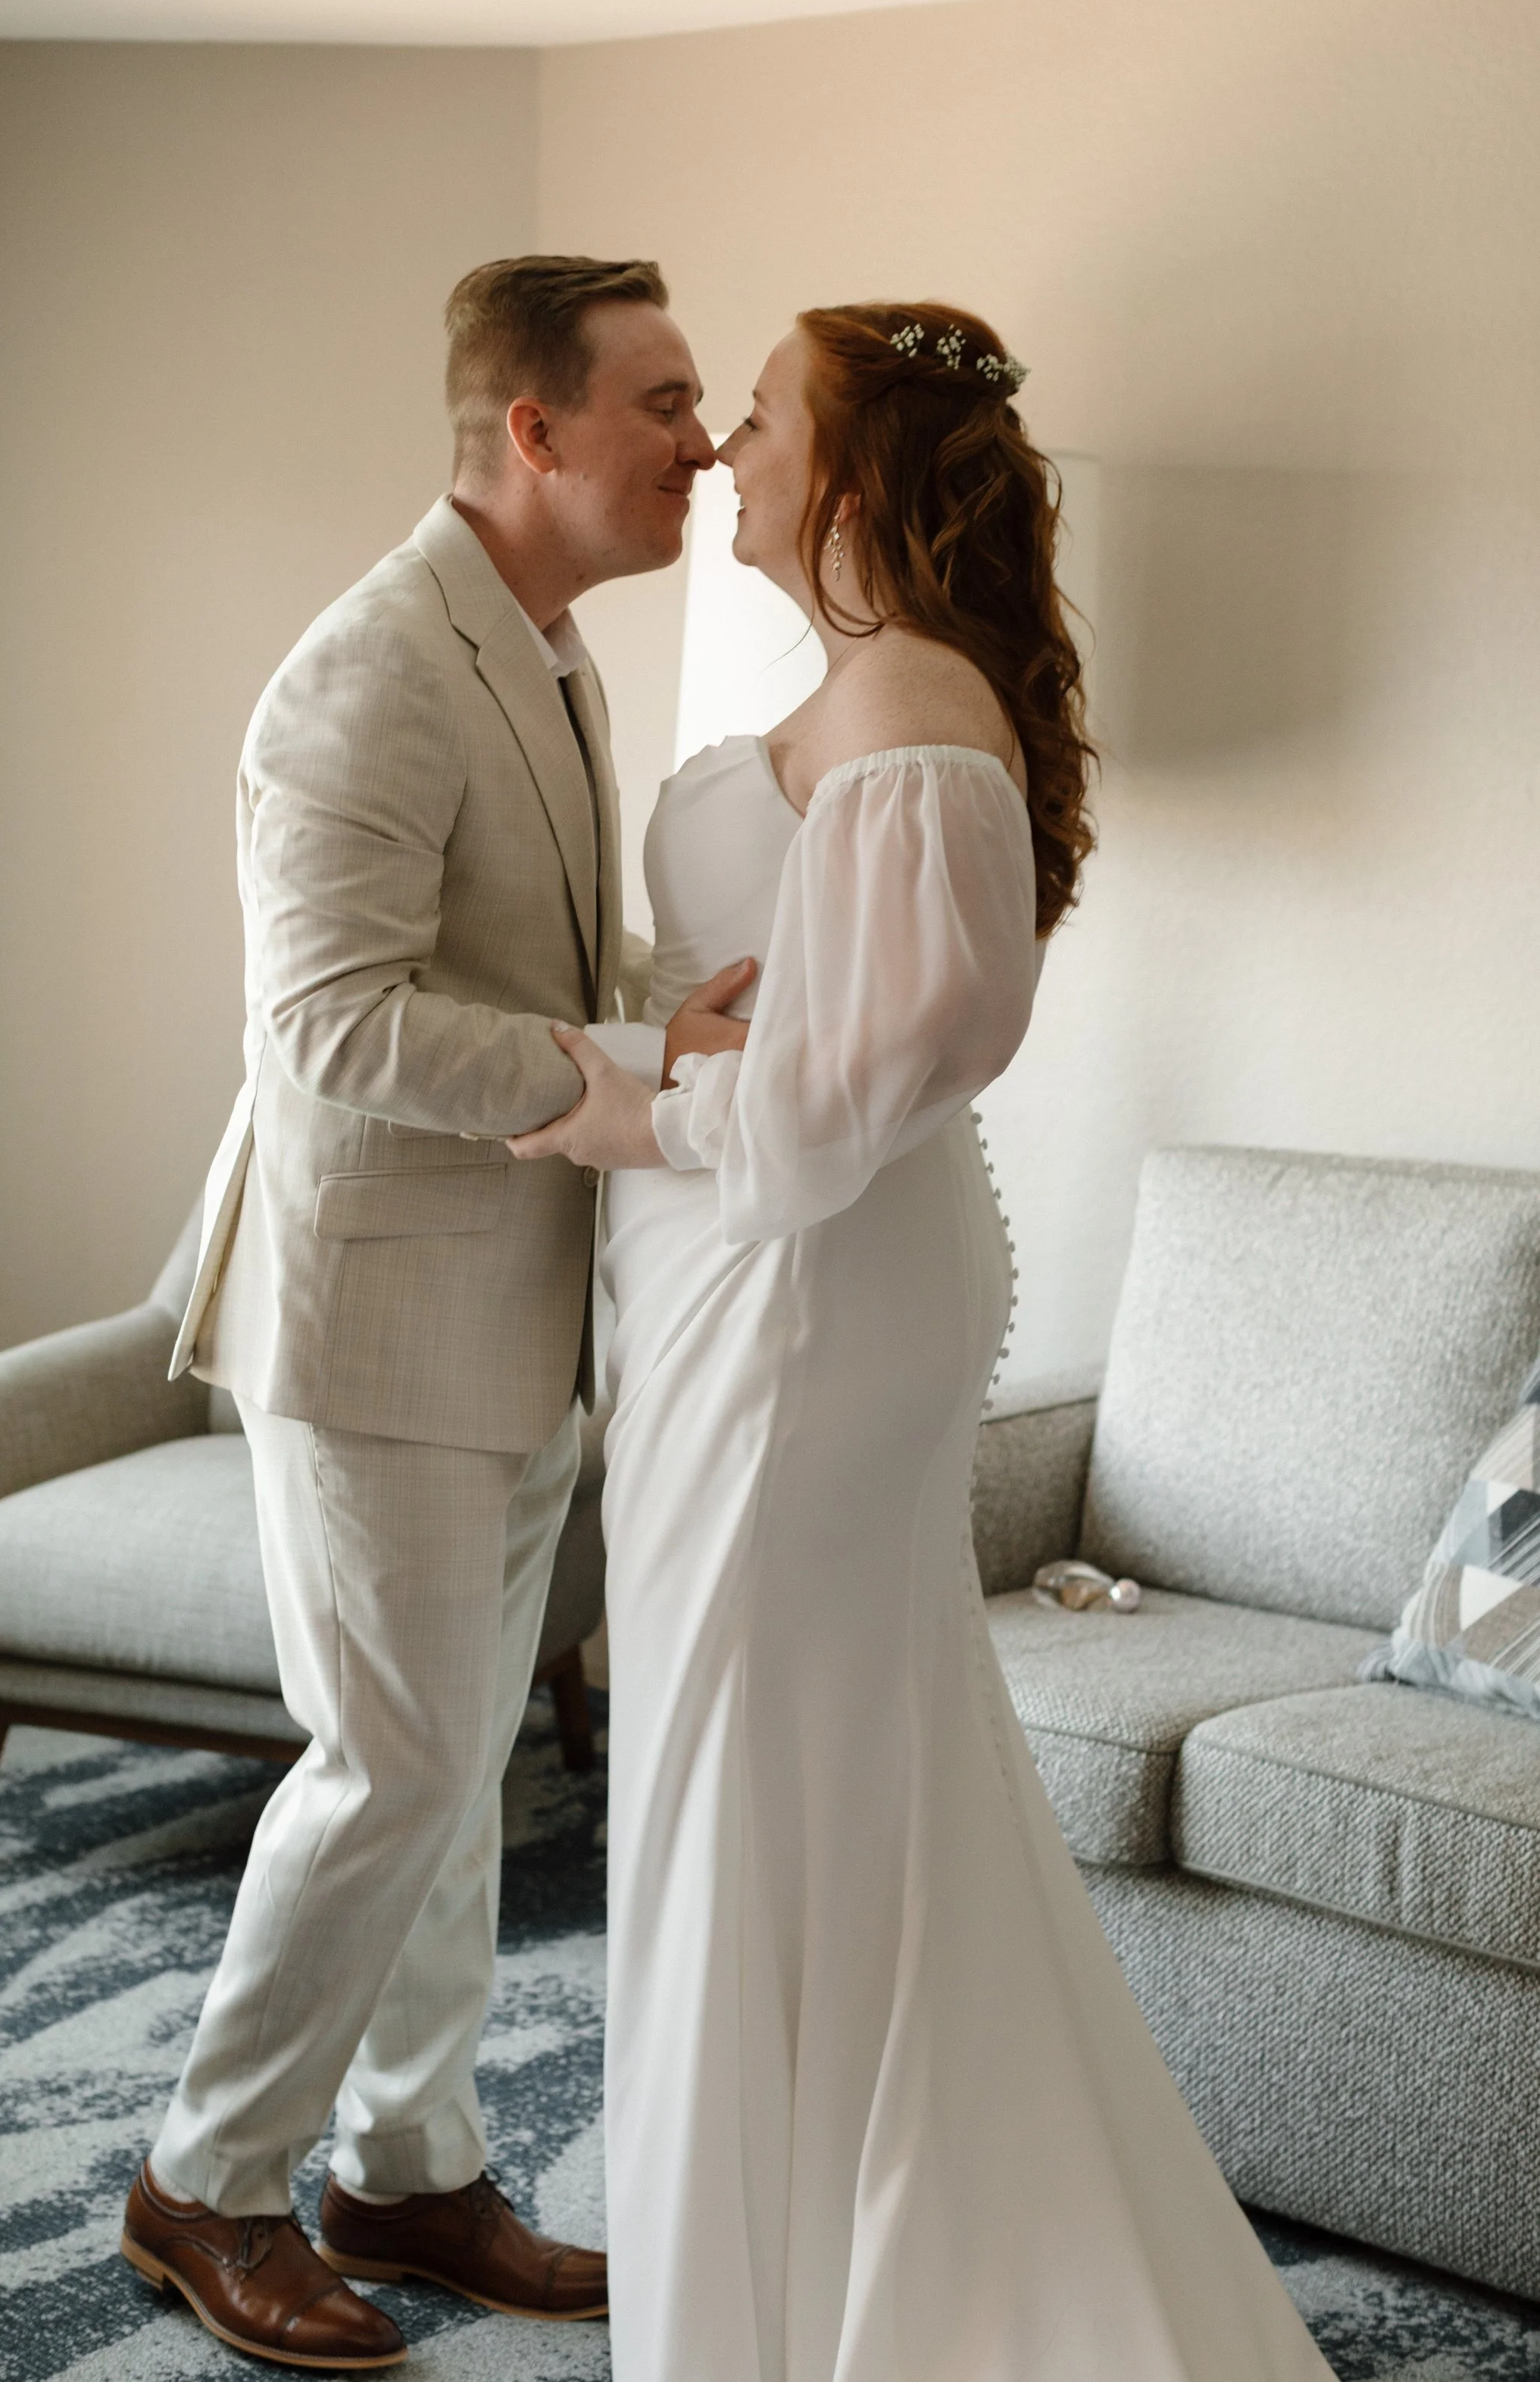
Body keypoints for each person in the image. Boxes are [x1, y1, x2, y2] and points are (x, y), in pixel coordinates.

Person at [509, 303, 1337, 2379]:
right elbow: (795, 1025)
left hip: (802, 1308)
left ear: (856, 477)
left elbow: (810, 1126)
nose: (726, 451)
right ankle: (802, 2273)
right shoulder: (865, 696)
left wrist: (608, 1094)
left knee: (740, 1777)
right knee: (792, 1786)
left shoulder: (912, 719)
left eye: (762, 418)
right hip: (762, 1294)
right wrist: (672, 1034)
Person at [121, 255, 744, 2370]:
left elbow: (526, 937)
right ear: (535, 431)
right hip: (372, 1310)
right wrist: (622, 1076)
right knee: (386, 1760)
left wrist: (670, 997)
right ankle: (202, 2182)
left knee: (454, 1764)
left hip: (503, 1308)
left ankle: (407, 2164)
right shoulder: (368, 667)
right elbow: (329, 1024)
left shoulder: (545, 649)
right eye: (665, 399)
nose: (709, 438)